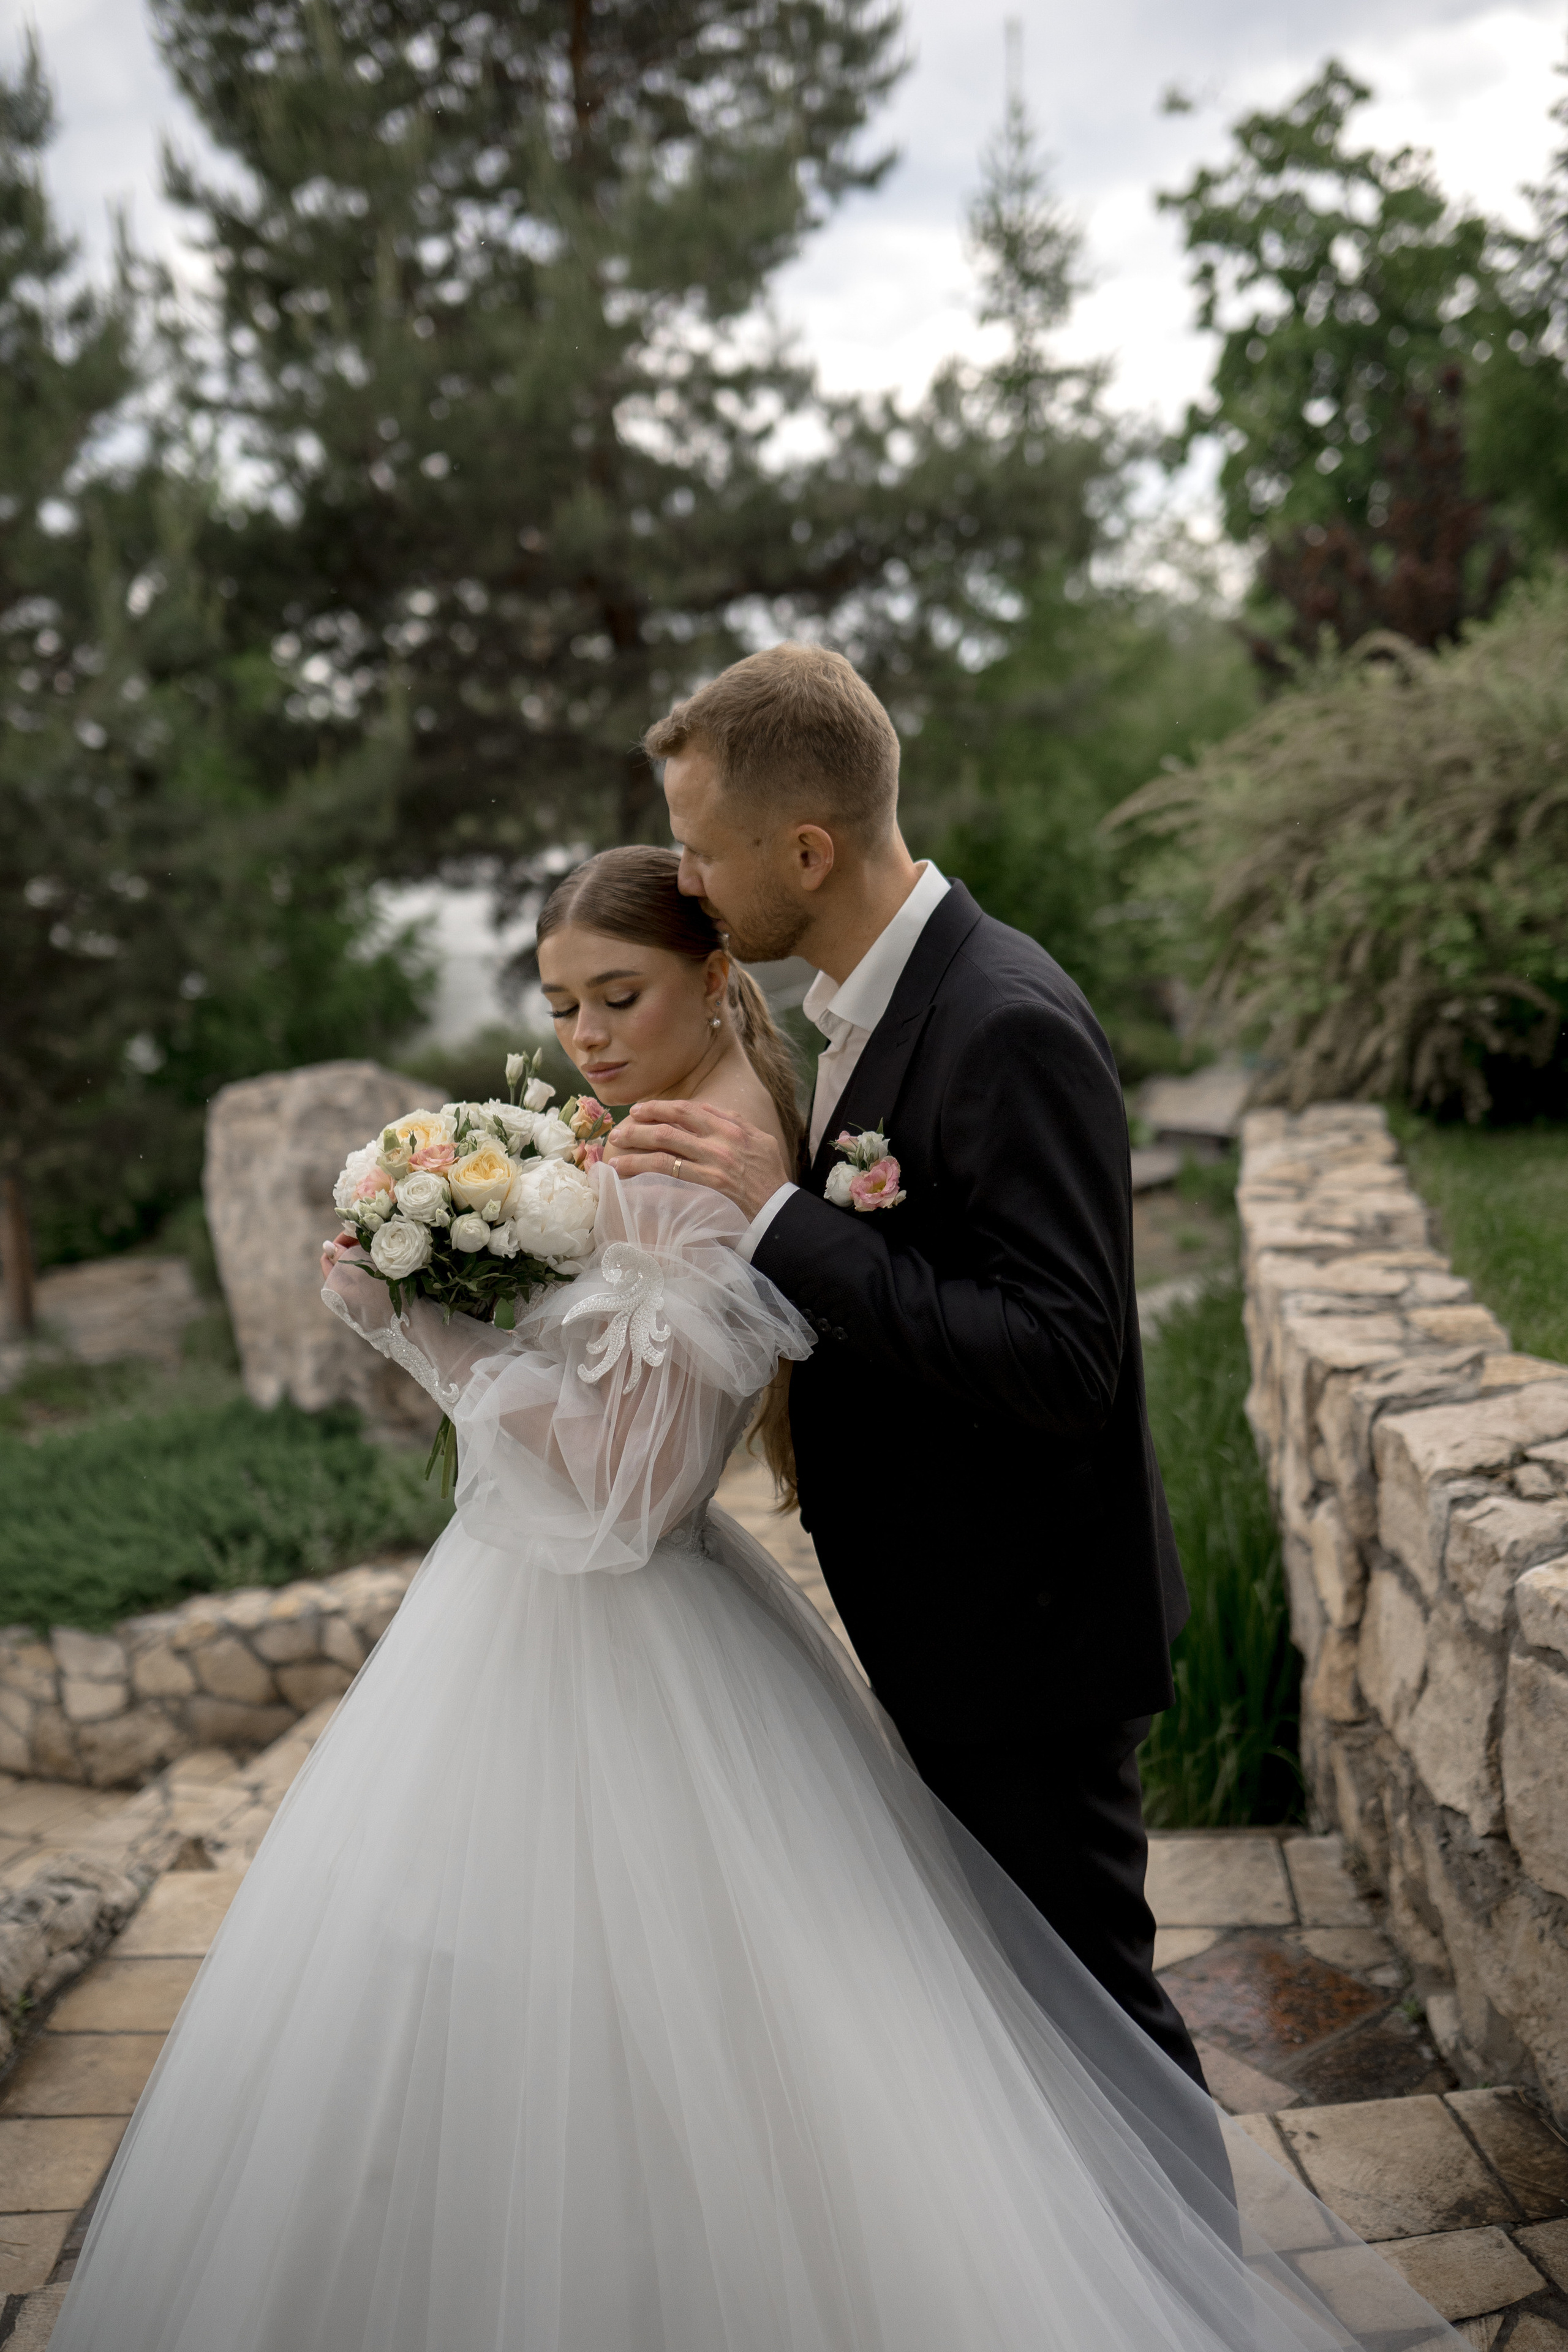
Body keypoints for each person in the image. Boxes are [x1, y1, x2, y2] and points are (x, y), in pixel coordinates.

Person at [47, 850, 1461, 2352]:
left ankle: (1149, 2276)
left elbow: (627, 1493)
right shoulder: (673, 1126)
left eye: (619, 994)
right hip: (590, 1618)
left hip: (622, 1618)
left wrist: (423, 1335)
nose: (586, 1034)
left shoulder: (704, 1163)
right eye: (562, 1005)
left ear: (716, 981)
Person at [608, 642, 1199, 2089]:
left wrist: (772, 1219)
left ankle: (1193, 2314)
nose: (685, 883)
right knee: (1038, 2035)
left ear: (804, 850)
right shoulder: (872, 1004)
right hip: (961, 1626)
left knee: (1098, 2028)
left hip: (1029, 1638)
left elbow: (1065, 1356)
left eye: (700, 851)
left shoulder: (999, 1019)